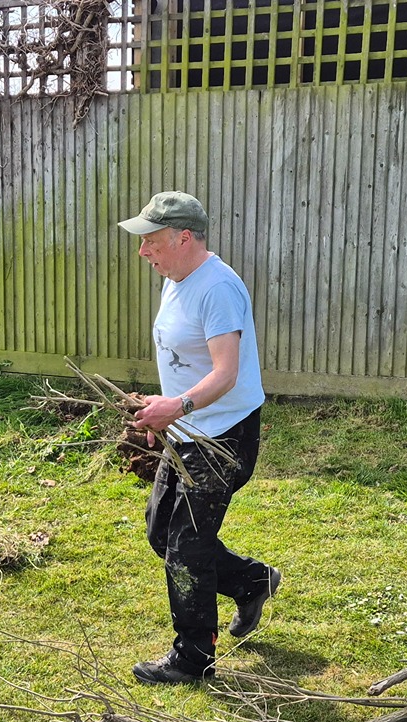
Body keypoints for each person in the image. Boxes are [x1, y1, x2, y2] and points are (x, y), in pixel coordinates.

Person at [118, 190, 281, 684]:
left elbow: (226, 373)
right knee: (160, 532)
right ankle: (252, 580)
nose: (143, 252)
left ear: (183, 237)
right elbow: (184, 358)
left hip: (223, 436)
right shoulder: (176, 277)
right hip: (186, 431)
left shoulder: (217, 288)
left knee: (186, 546)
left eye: (151, 242)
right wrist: (161, 412)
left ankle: (193, 658)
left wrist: (178, 406)